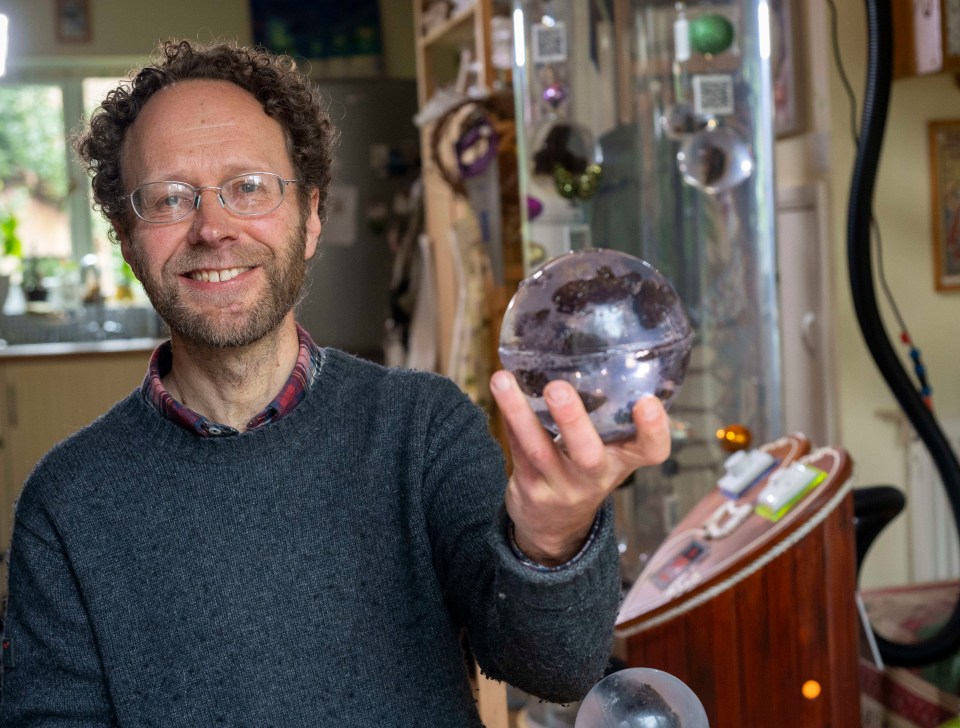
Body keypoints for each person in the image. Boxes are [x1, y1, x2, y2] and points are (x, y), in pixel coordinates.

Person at [0, 40, 670, 726]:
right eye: (170, 198)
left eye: (249, 187)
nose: (213, 227)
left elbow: (553, 668)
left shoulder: (422, 429)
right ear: (125, 235)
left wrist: (555, 539)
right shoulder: (68, 501)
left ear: (312, 215)